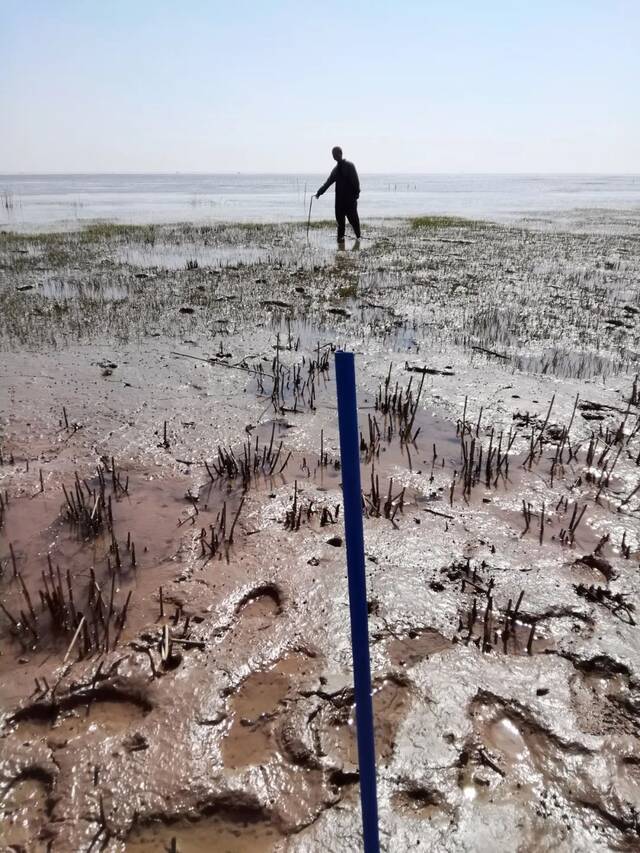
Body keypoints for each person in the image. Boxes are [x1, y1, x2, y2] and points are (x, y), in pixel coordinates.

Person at [316, 146, 361, 244]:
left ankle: (359, 238)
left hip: (350, 200)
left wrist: (357, 193)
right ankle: (340, 242)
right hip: (339, 201)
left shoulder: (349, 166)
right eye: (333, 154)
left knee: (353, 220)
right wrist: (319, 192)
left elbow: (356, 181)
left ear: (341, 153)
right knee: (340, 223)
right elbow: (328, 183)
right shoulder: (335, 170)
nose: (335, 156)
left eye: (336, 153)